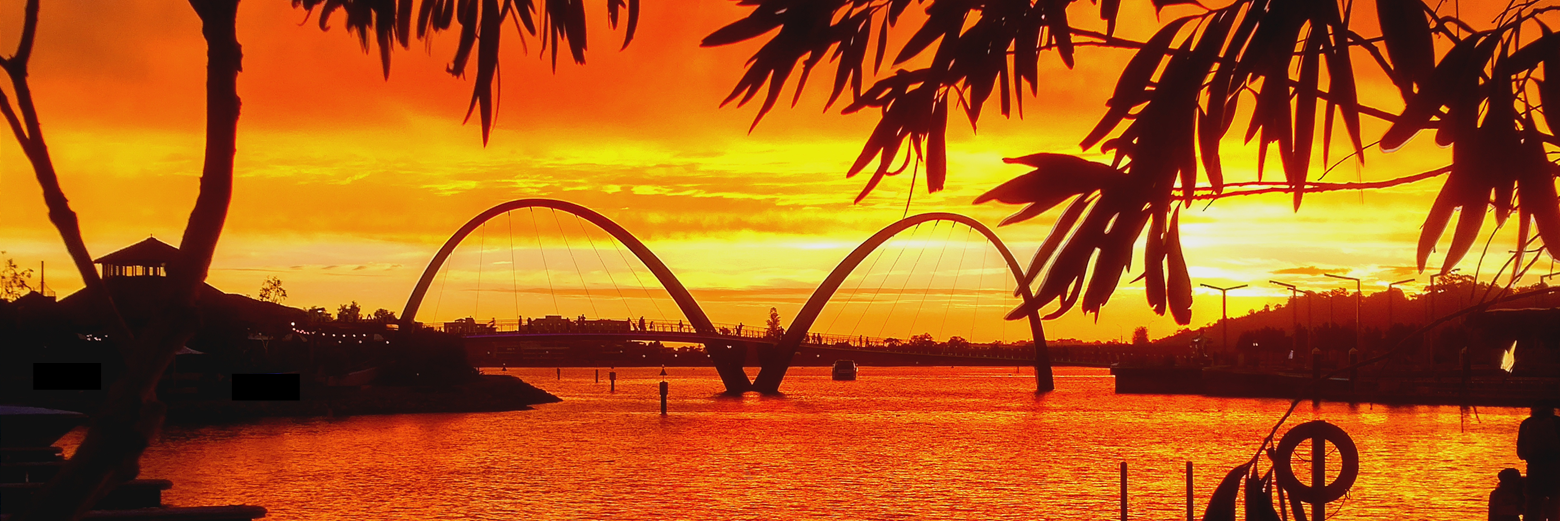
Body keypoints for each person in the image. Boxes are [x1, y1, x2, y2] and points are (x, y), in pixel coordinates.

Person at [1519, 403, 1560, 521]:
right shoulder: (1558, 423)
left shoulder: (1526, 424)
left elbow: (1521, 453)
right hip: (1555, 471)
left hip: (1534, 470)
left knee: (1532, 506)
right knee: (1555, 507)